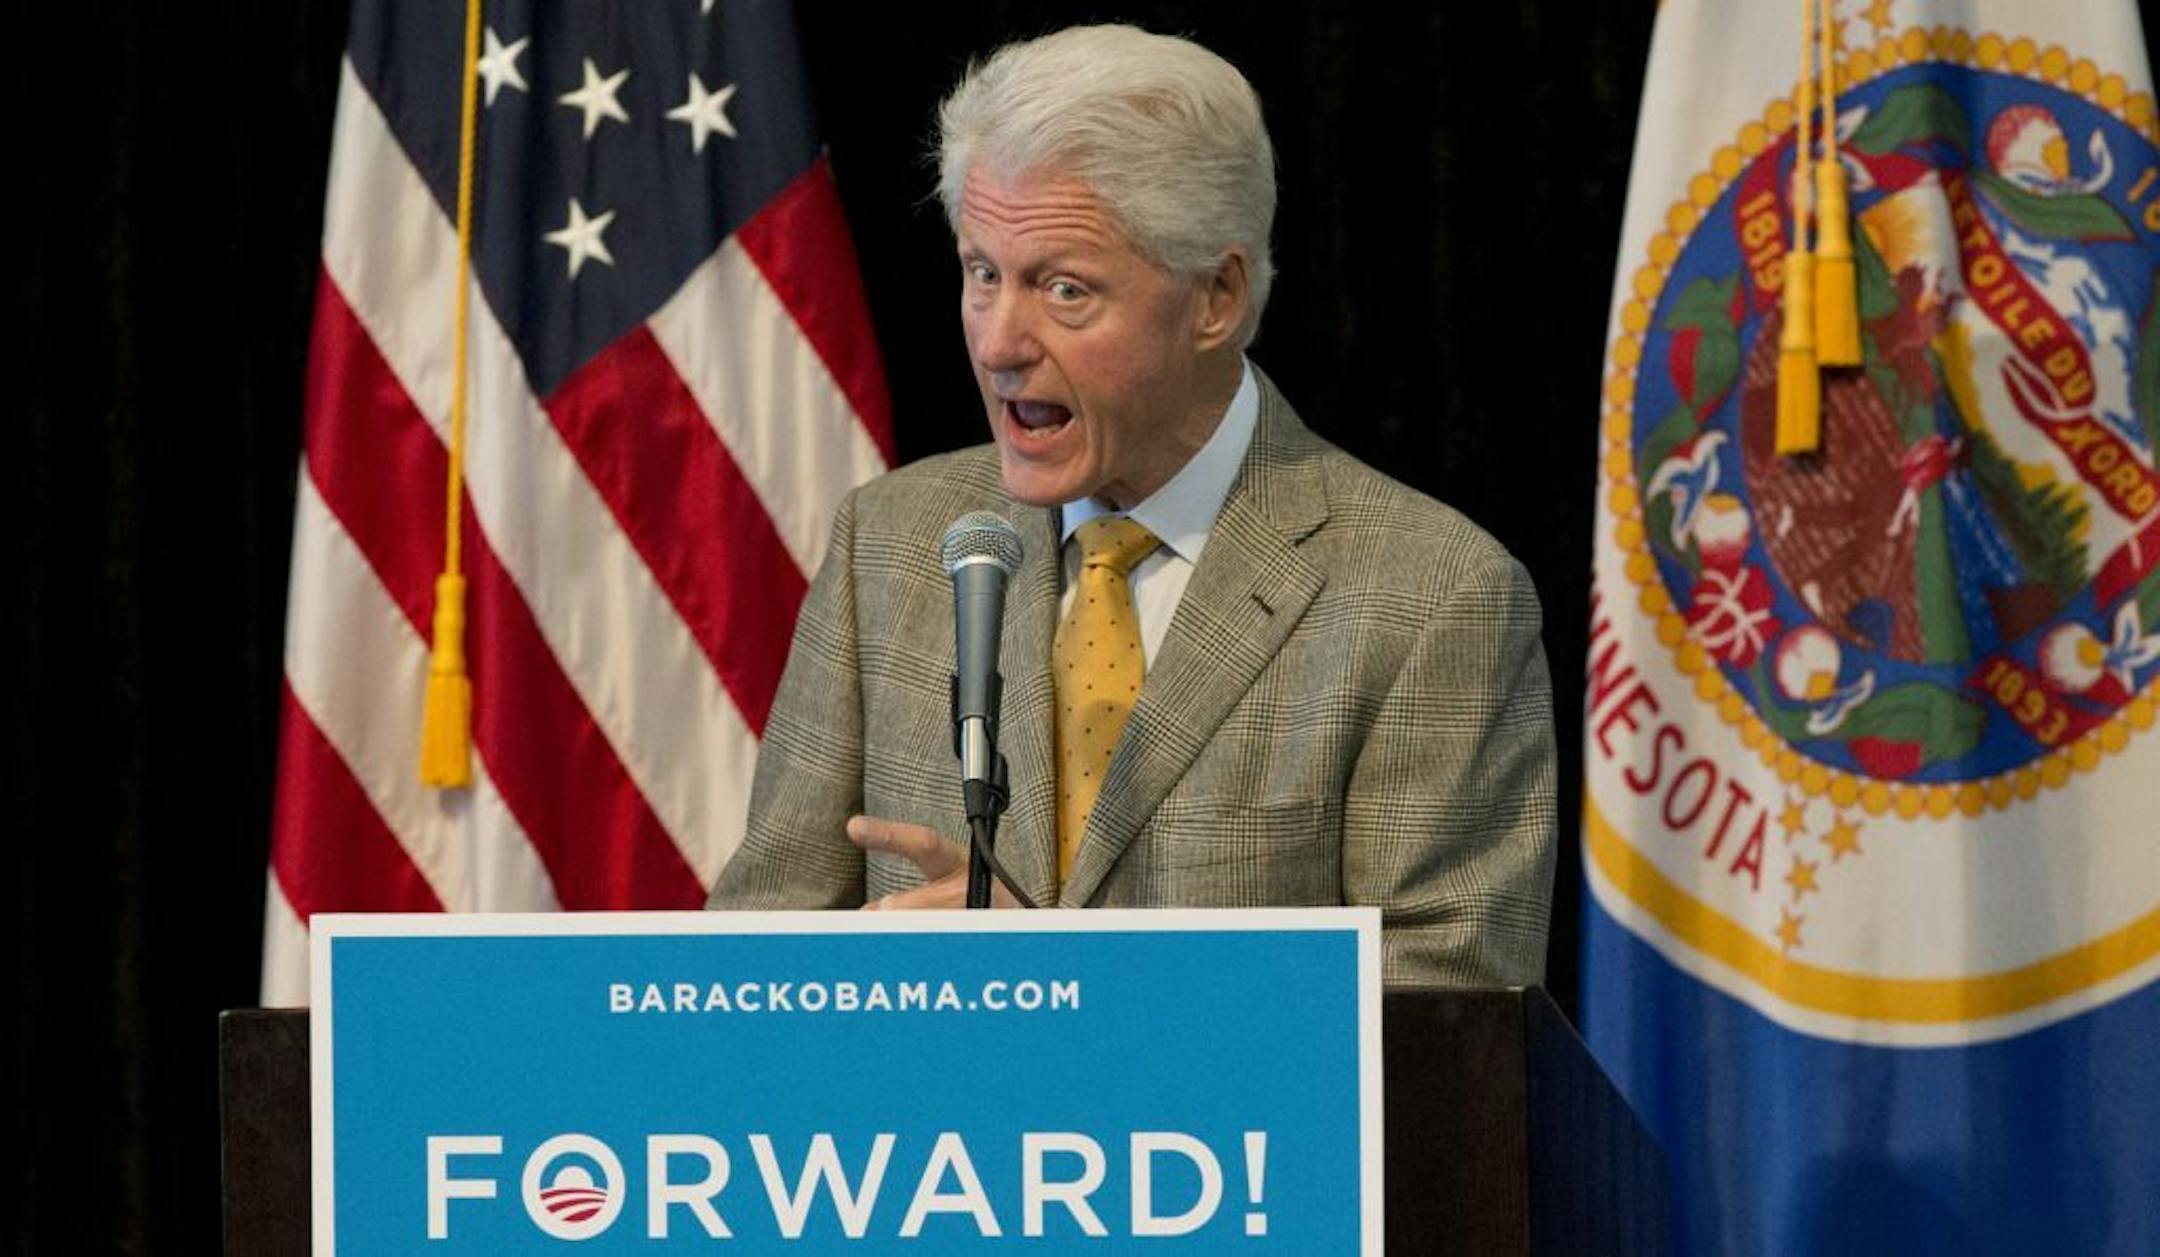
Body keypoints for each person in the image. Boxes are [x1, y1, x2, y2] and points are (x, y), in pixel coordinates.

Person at [707, 24, 1556, 987]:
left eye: (1063, 289)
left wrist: (1077, 987)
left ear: (1216, 299)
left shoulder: (1433, 596)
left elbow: (1446, 1021)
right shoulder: (892, 544)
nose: (998, 341)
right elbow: (757, 956)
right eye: (982, 273)